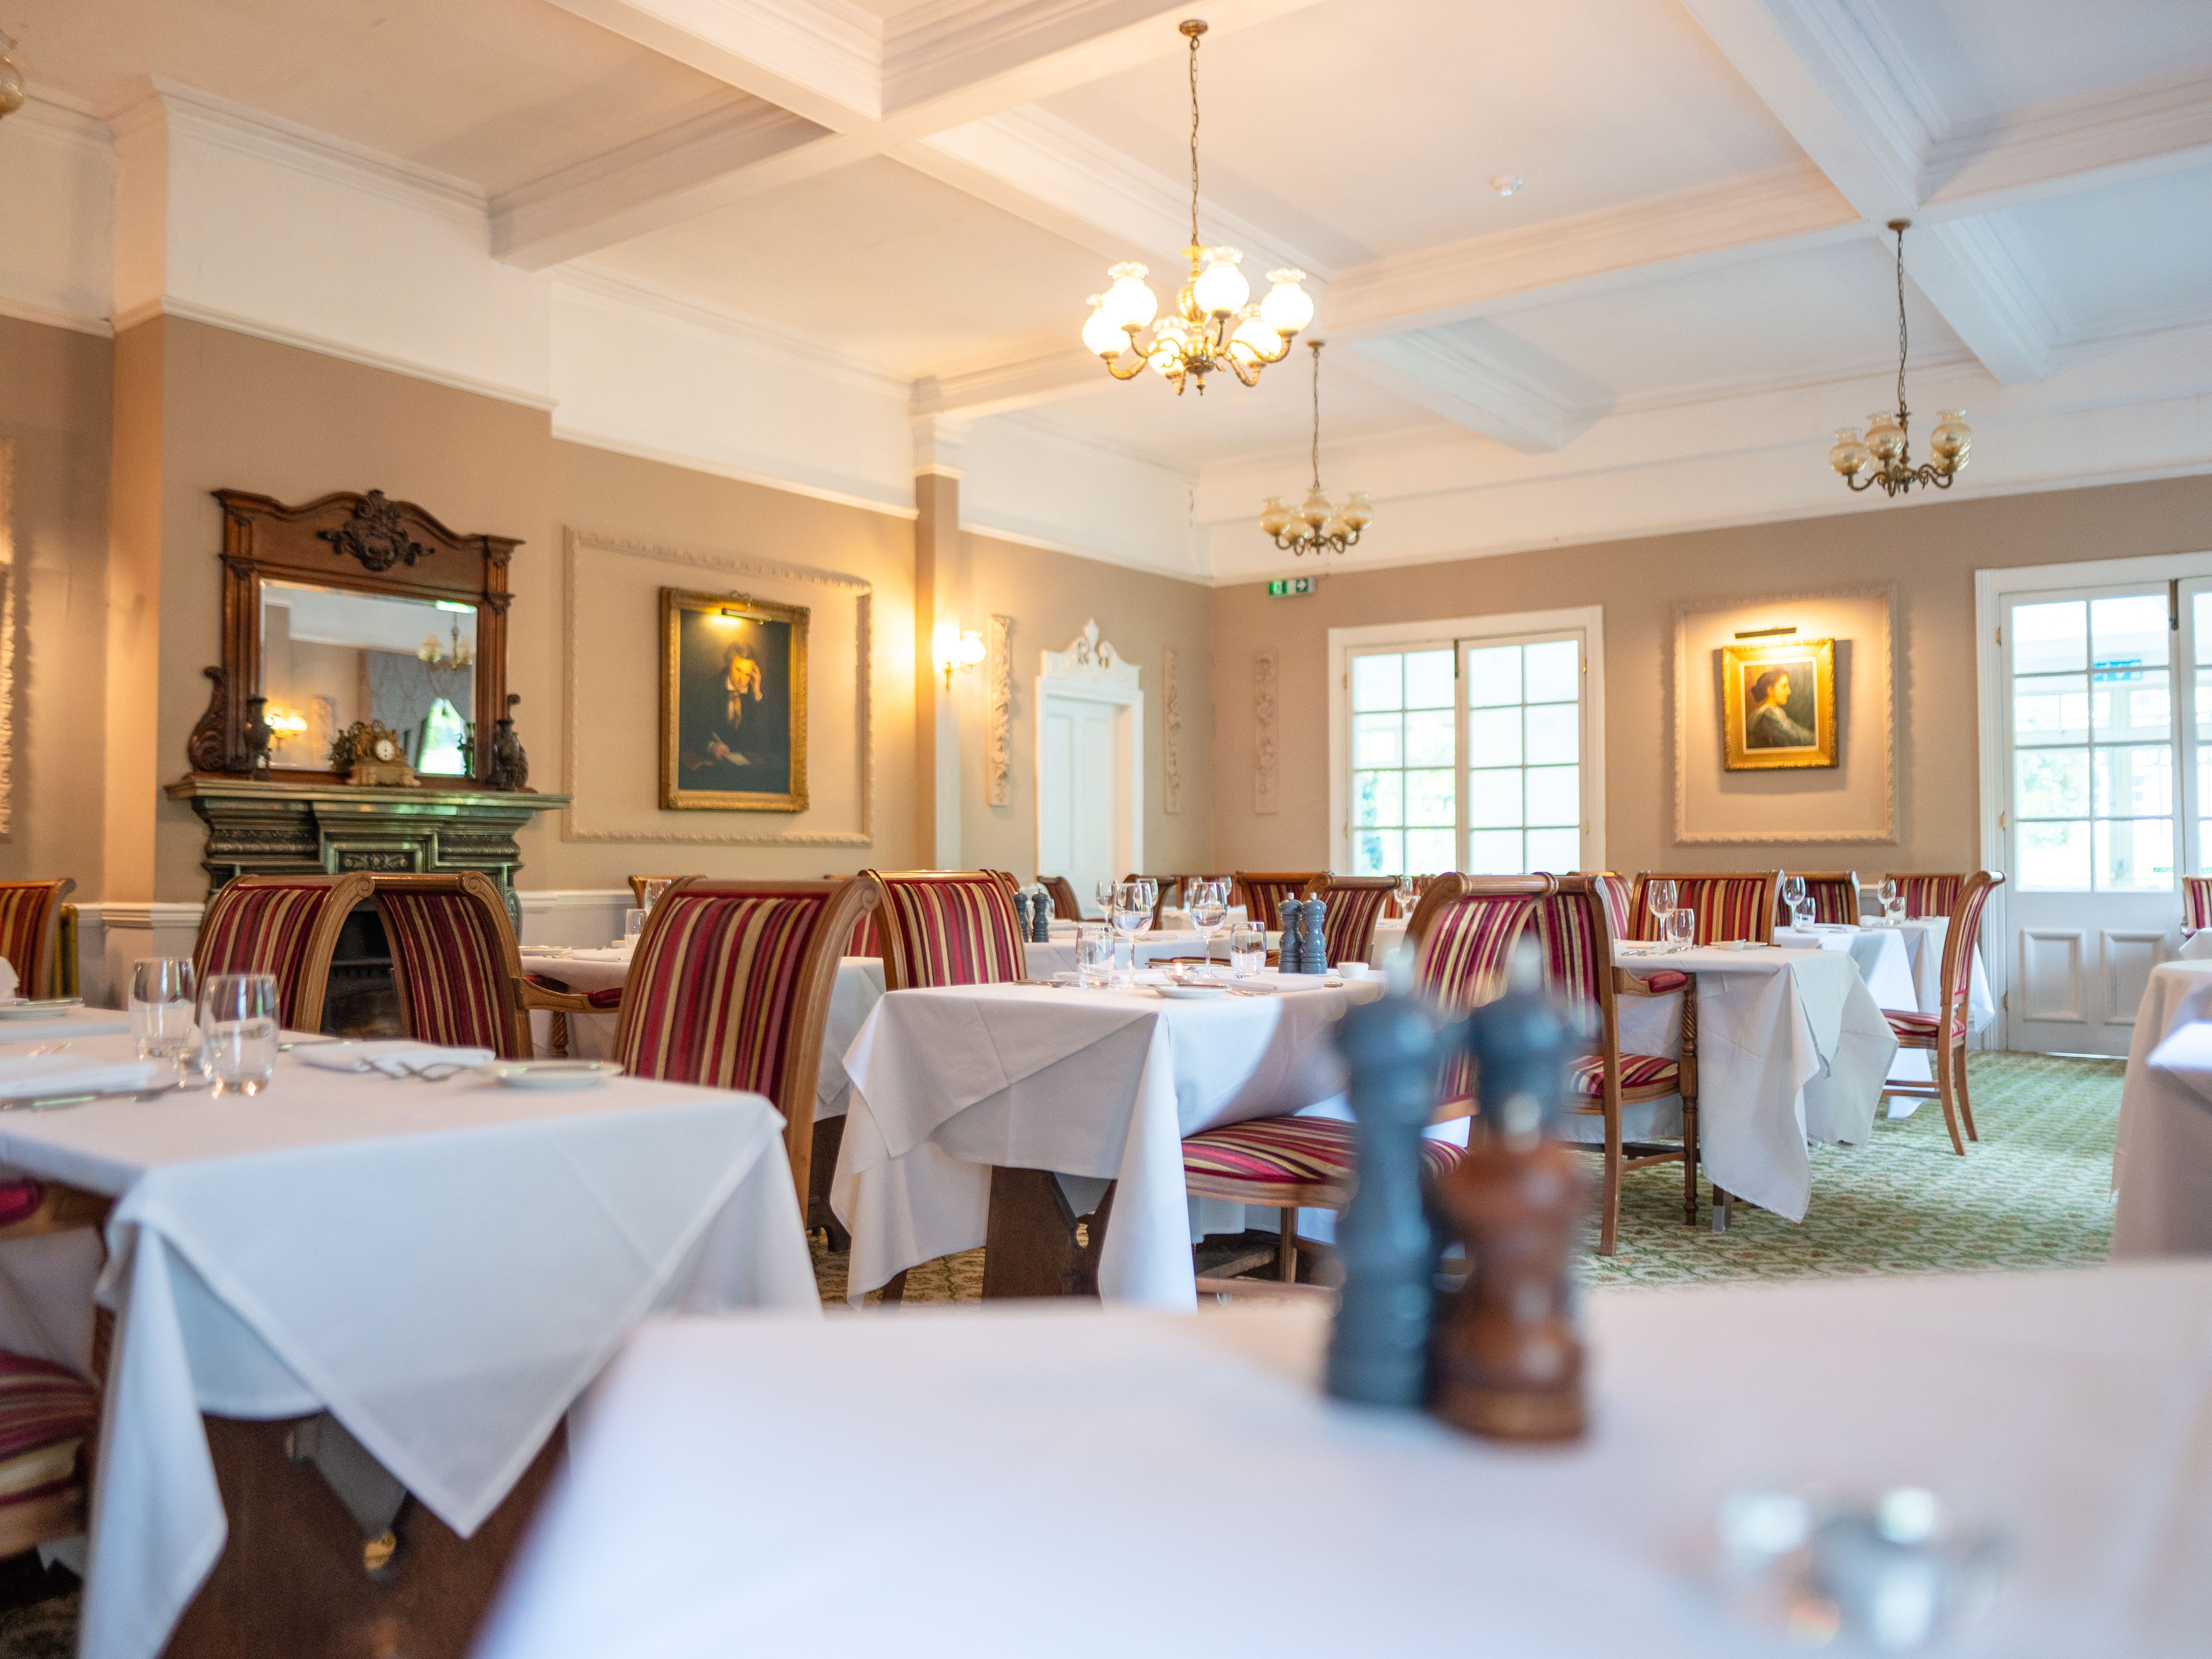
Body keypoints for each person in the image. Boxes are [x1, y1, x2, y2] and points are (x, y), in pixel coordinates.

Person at [1745, 666, 1814, 748]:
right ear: (1770, 691)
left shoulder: (1756, 714)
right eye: (1784, 686)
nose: (1789, 692)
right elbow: (1797, 738)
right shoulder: (1771, 713)